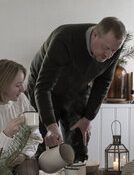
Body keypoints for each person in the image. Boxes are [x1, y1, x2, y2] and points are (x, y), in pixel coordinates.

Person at [26, 17, 126, 162]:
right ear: (95, 35)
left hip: (77, 87)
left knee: (78, 144)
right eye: (105, 48)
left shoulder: (113, 45)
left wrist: (87, 118)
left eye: (114, 50)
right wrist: (51, 126)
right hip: (43, 88)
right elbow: (42, 87)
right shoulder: (64, 39)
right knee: (44, 146)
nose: (108, 55)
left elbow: (103, 82)